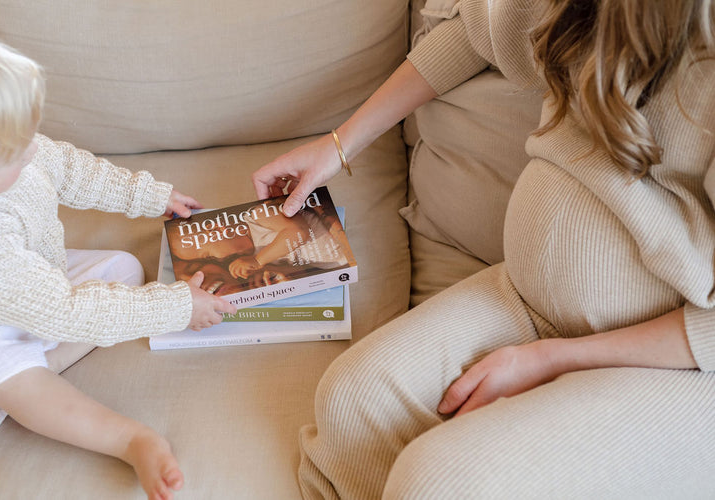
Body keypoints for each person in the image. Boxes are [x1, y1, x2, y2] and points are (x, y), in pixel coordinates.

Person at [252, 0, 715, 497]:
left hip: (677, 362)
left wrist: (552, 360)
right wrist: (337, 146)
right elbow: (480, 33)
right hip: (529, 296)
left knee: (438, 480)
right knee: (351, 400)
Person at [0, 23, 237, 500]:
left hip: (32, 278)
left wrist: (150, 196)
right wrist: (173, 307)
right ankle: (129, 439)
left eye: (31, 131)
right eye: (14, 151)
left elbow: (72, 169)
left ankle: (34, 368)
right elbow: (66, 310)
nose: (34, 150)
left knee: (124, 269)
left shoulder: (20, 151)